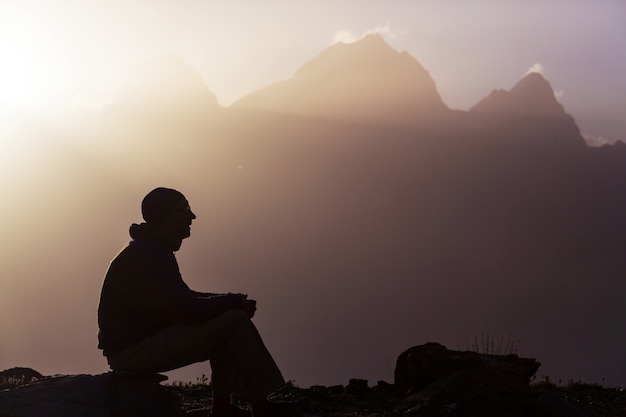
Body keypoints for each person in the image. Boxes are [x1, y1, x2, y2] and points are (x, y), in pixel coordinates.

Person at [97, 187, 286, 417]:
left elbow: (180, 298)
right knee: (233, 322)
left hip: (132, 347)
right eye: (184, 209)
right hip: (133, 352)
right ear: (164, 215)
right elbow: (187, 309)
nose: (191, 216)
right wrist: (233, 303)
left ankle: (223, 408)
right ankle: (262, 406)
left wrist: (229, 301)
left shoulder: (148, 249)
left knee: (225, 318)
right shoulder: (152, 253)